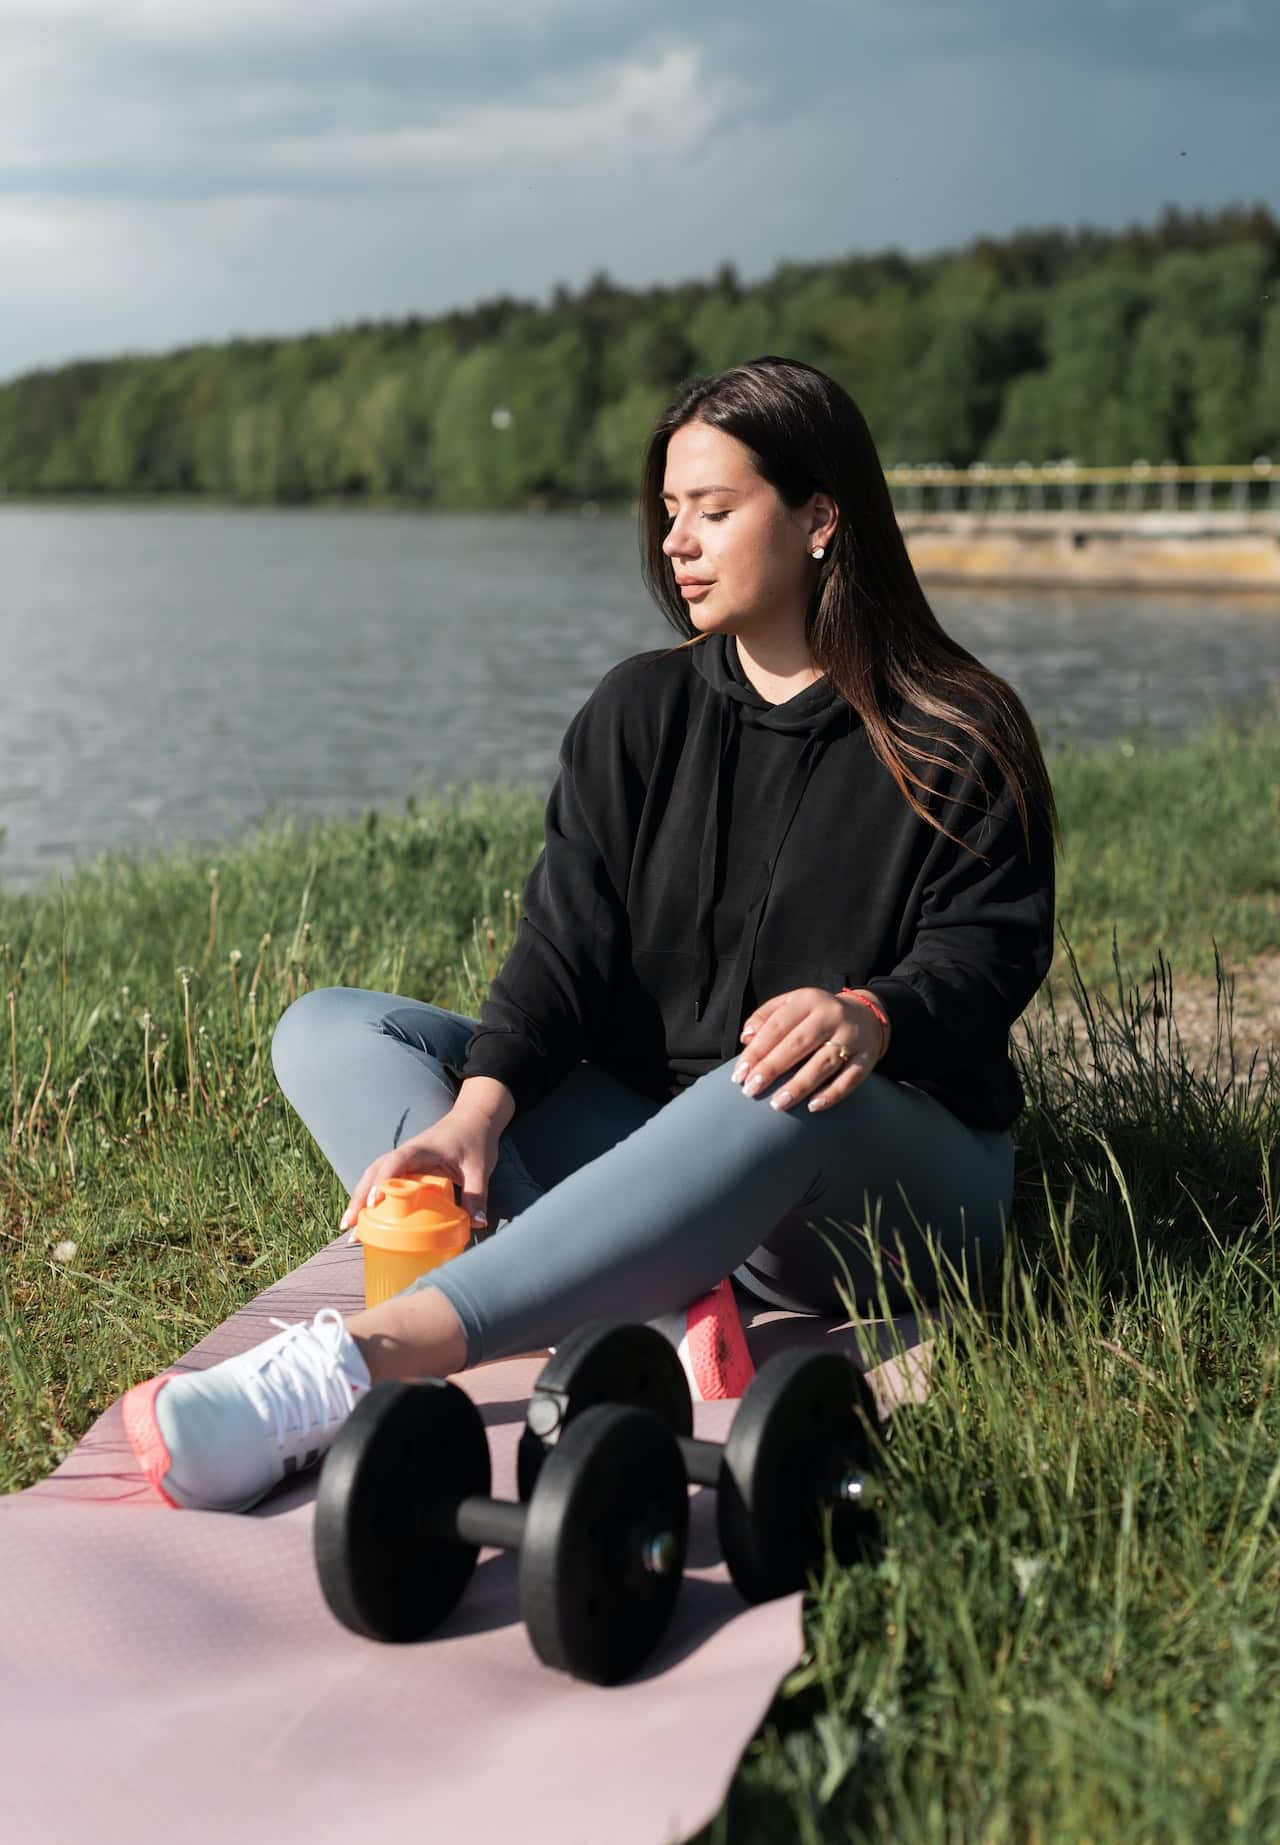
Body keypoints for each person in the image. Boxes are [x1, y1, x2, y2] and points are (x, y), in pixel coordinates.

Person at [123, 355, 1059, 1514]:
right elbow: (561, 951)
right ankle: (658, 1301)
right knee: (331, 1031)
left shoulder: (955, 728)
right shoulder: (637, 711)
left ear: (821, 518)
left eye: (714, 511)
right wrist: (475, 1114)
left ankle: (355, 1364)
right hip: (658, 1136)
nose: (676, 542)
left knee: (770, 1077)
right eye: (669, 511)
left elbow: (991, 955)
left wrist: (870, 1014)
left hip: (879, 1189)